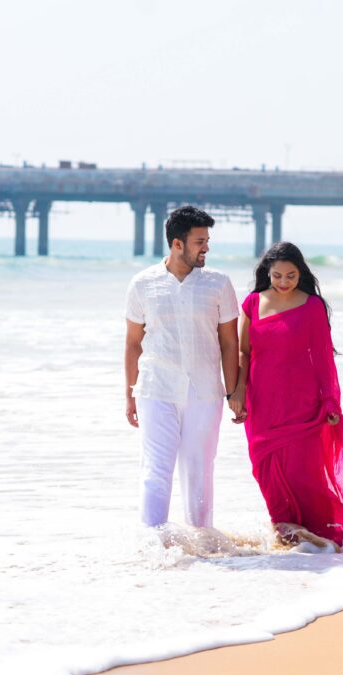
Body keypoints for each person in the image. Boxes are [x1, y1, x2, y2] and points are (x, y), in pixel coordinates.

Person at [229, 242, 343, 551]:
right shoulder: (253, 303)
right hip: (262, 402)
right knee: (265, 469)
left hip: (302, 403)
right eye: (277, 275)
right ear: (267, 273)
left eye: (290, 276)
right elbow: (243, 352)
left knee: (304, 473)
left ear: (301, 273)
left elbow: (323, 359)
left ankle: (320, 534)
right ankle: (286, 532)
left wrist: (330, 401)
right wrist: (237, 391)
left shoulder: (312, 306)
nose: (283, 282)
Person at [124, 205, 241, 529]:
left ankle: (202, 542)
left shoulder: (218, 283)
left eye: (207, 240)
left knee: (199, 469)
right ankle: (154, 544)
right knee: (155, 469)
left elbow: (229, 342)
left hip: (204, 390)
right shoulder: (142, 284)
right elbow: (133, 343)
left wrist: (235, 391)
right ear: (177, 244)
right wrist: (129, 395)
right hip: (155, 388)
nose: (206, 247)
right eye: (199, 241)